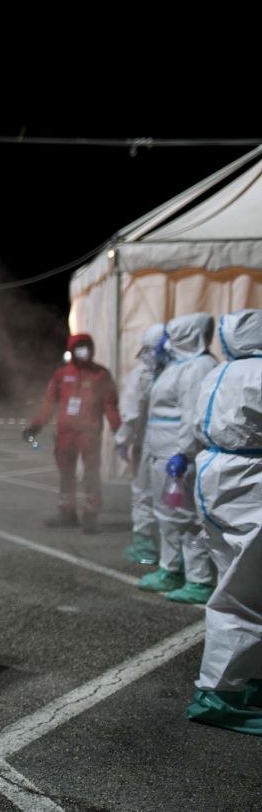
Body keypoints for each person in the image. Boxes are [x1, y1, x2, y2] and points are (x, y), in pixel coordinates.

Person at [181, 310, 262, 734]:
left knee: (236, 581)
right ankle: (221, 692)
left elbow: (193, 424)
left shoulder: (218, 372)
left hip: (214, 479)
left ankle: (247, 679)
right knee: (243, 593)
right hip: (251, 486)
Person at [135, 313, 218, 602]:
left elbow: (191, 416)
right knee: (168, 515)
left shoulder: (198, 367)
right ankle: (171, 568)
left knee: (187, 519)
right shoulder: (177, 366)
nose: (164, 344)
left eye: (172, 336)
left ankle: (199, 579)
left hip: (178, 457)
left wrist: (184, 452)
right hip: (163, 455)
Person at [22, 334, 120, 531]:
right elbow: (49, 404)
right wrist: (36, 426)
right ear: (72, 349)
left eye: (86, 347)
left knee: (91, 473)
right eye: (79, 347)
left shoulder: (101, 375)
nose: (83, 351)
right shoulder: (61, 375)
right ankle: (67, 512)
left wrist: (119, 431)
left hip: (89, 433)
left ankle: (91, 514)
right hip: (65, 433)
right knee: (66, 474)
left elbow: (111, 406)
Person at [115, 323, 168, 565]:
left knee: (144, 493)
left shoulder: (142, 374)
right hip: (180, 447)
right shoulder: (185, 369)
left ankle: (145, 546)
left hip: (148, 443)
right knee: (176, 500)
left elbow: (131, 413)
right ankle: (176, 556)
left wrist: (122, 441)